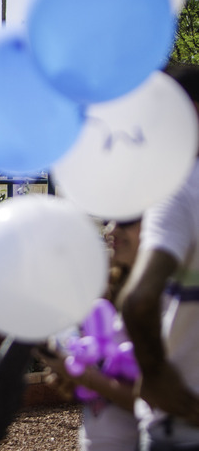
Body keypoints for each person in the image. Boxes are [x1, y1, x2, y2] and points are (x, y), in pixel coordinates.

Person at [121, 63, 199, 450]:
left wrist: (154, 375)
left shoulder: (179, 189)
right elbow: (139, 301)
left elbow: (139, 301)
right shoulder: (179, 188)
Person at [40, 218, 142, 450]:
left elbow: (158, 406)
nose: (111, 230)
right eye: (108, 220)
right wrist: (70, 376)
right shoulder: (113, 293)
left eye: (126, 220)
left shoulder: (167, 304)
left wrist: (81, 375)